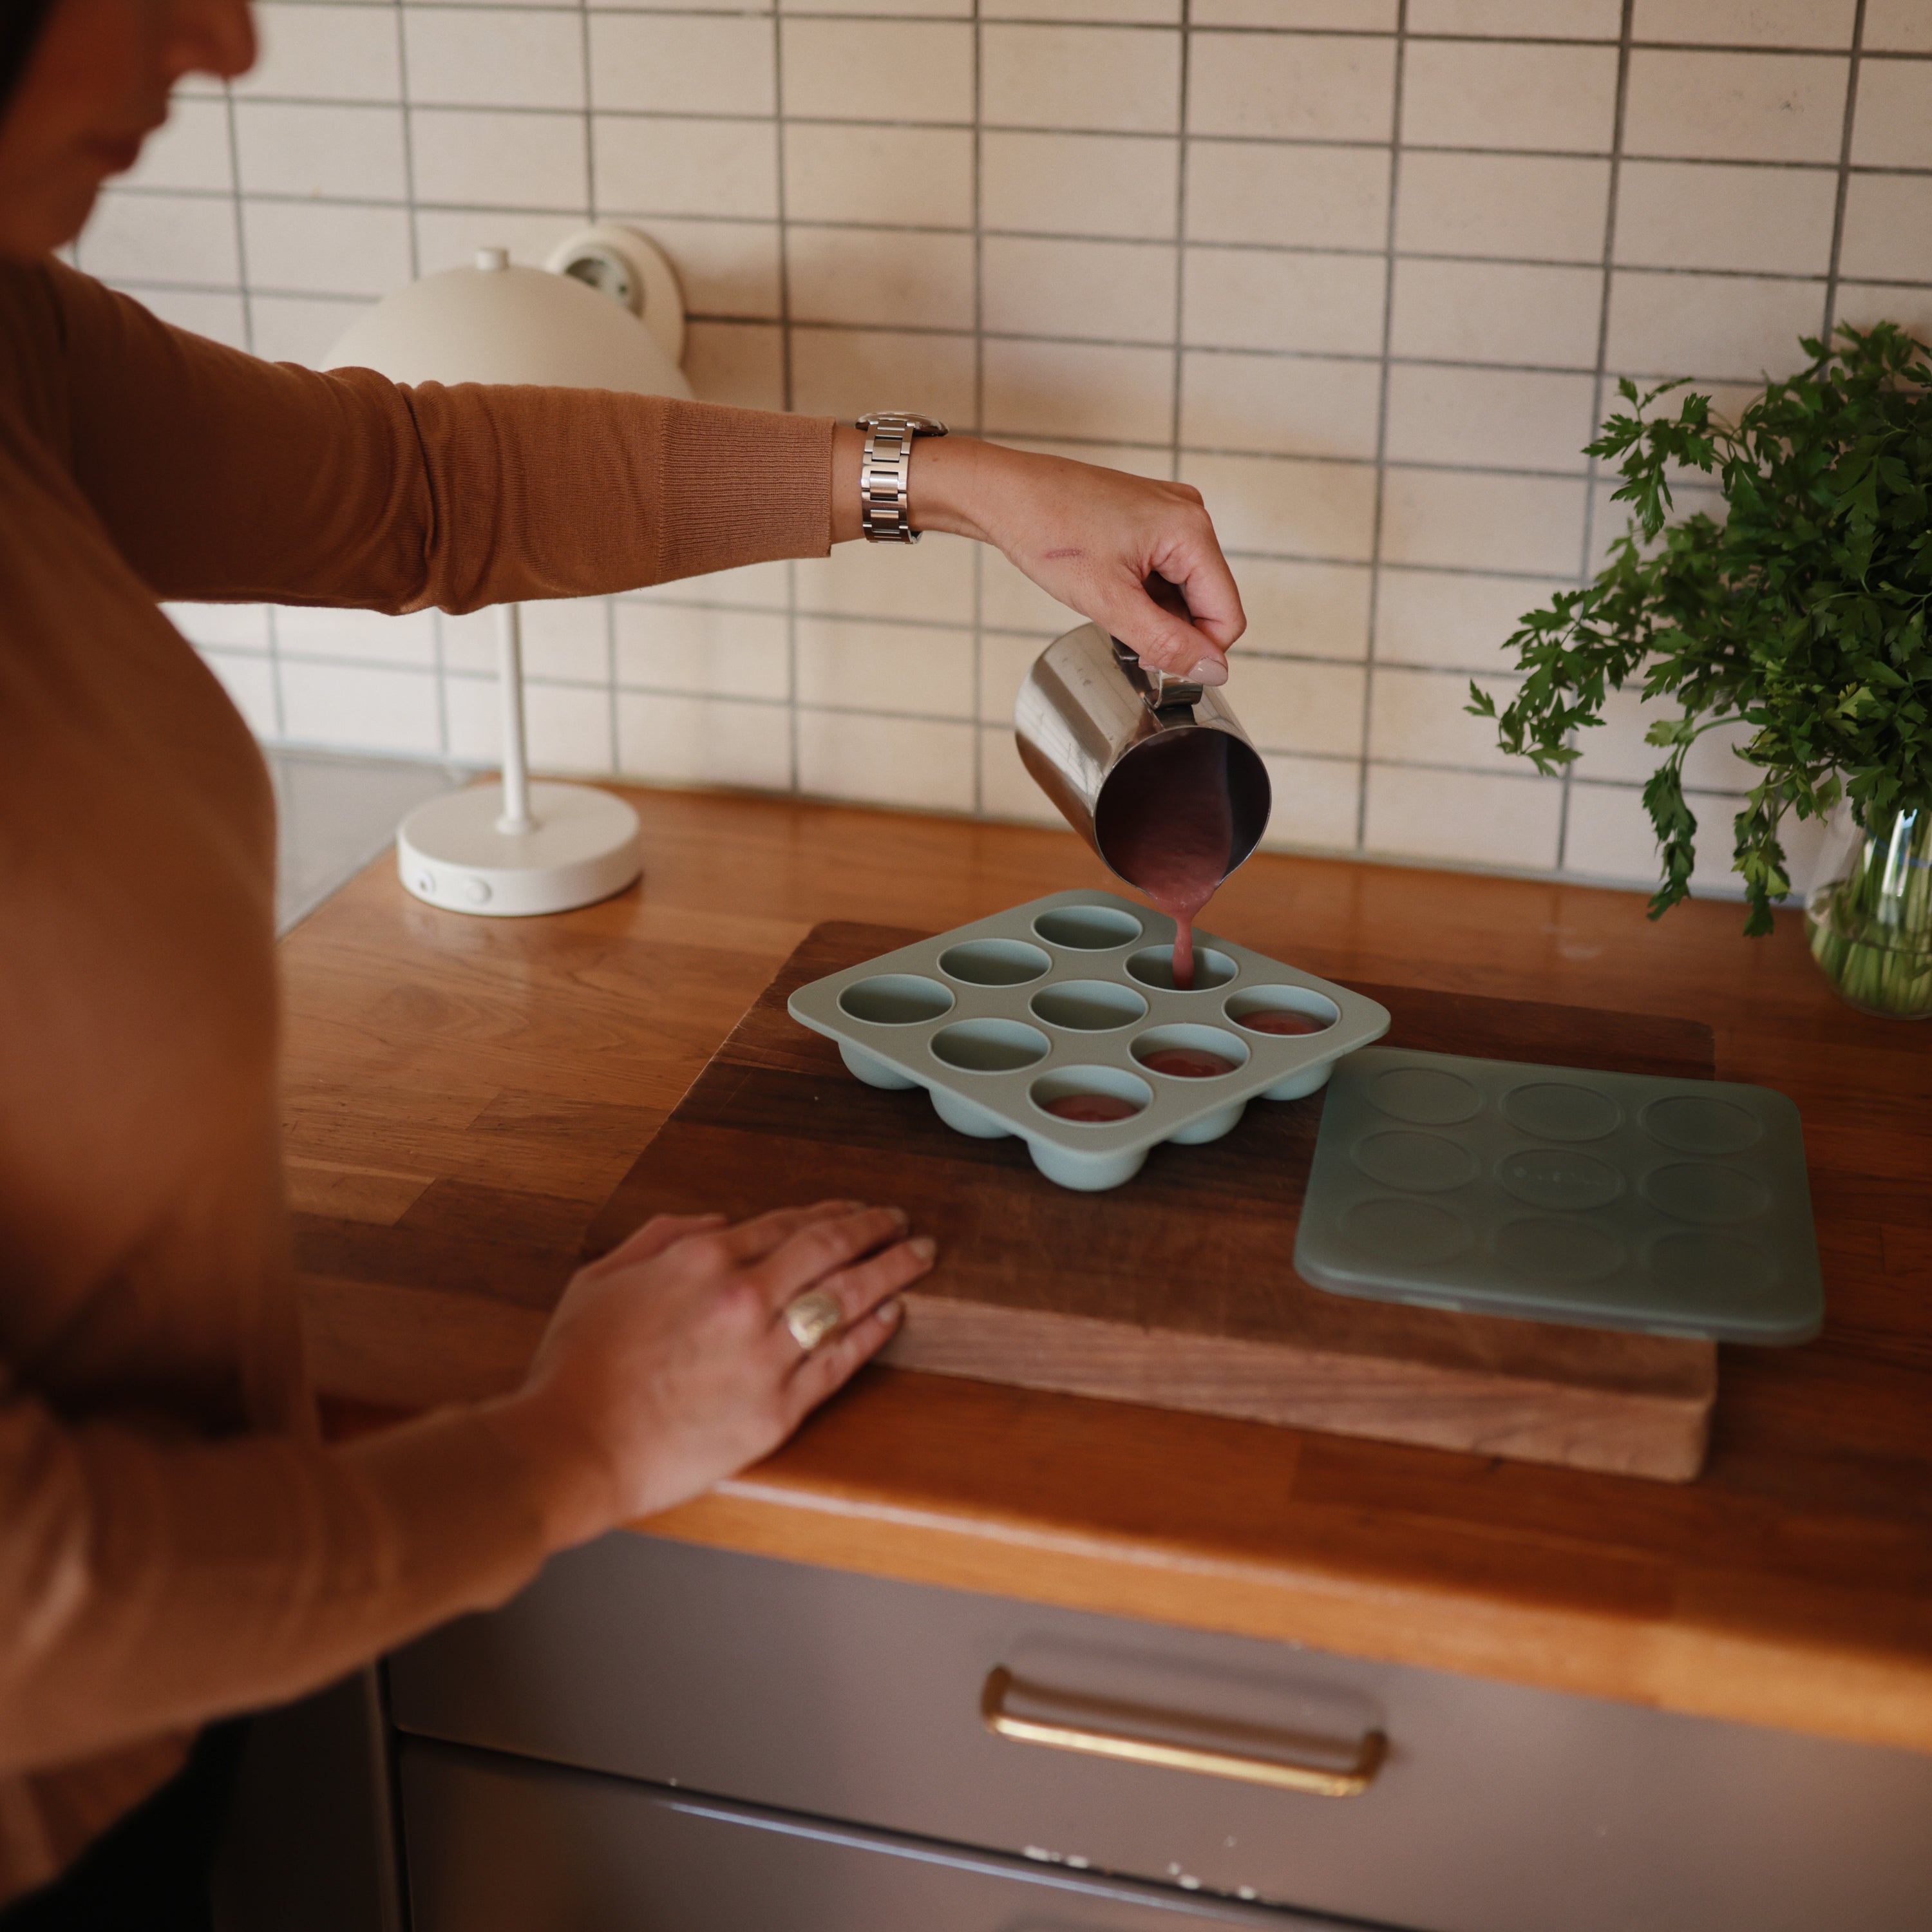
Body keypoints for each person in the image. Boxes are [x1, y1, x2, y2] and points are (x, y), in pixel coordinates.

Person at [0, 0, 1247, 1920]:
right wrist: (571, 1449)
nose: (228, 40)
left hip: (187, 1703)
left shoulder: (10, 336)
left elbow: (420, 486)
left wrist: (954, 482)